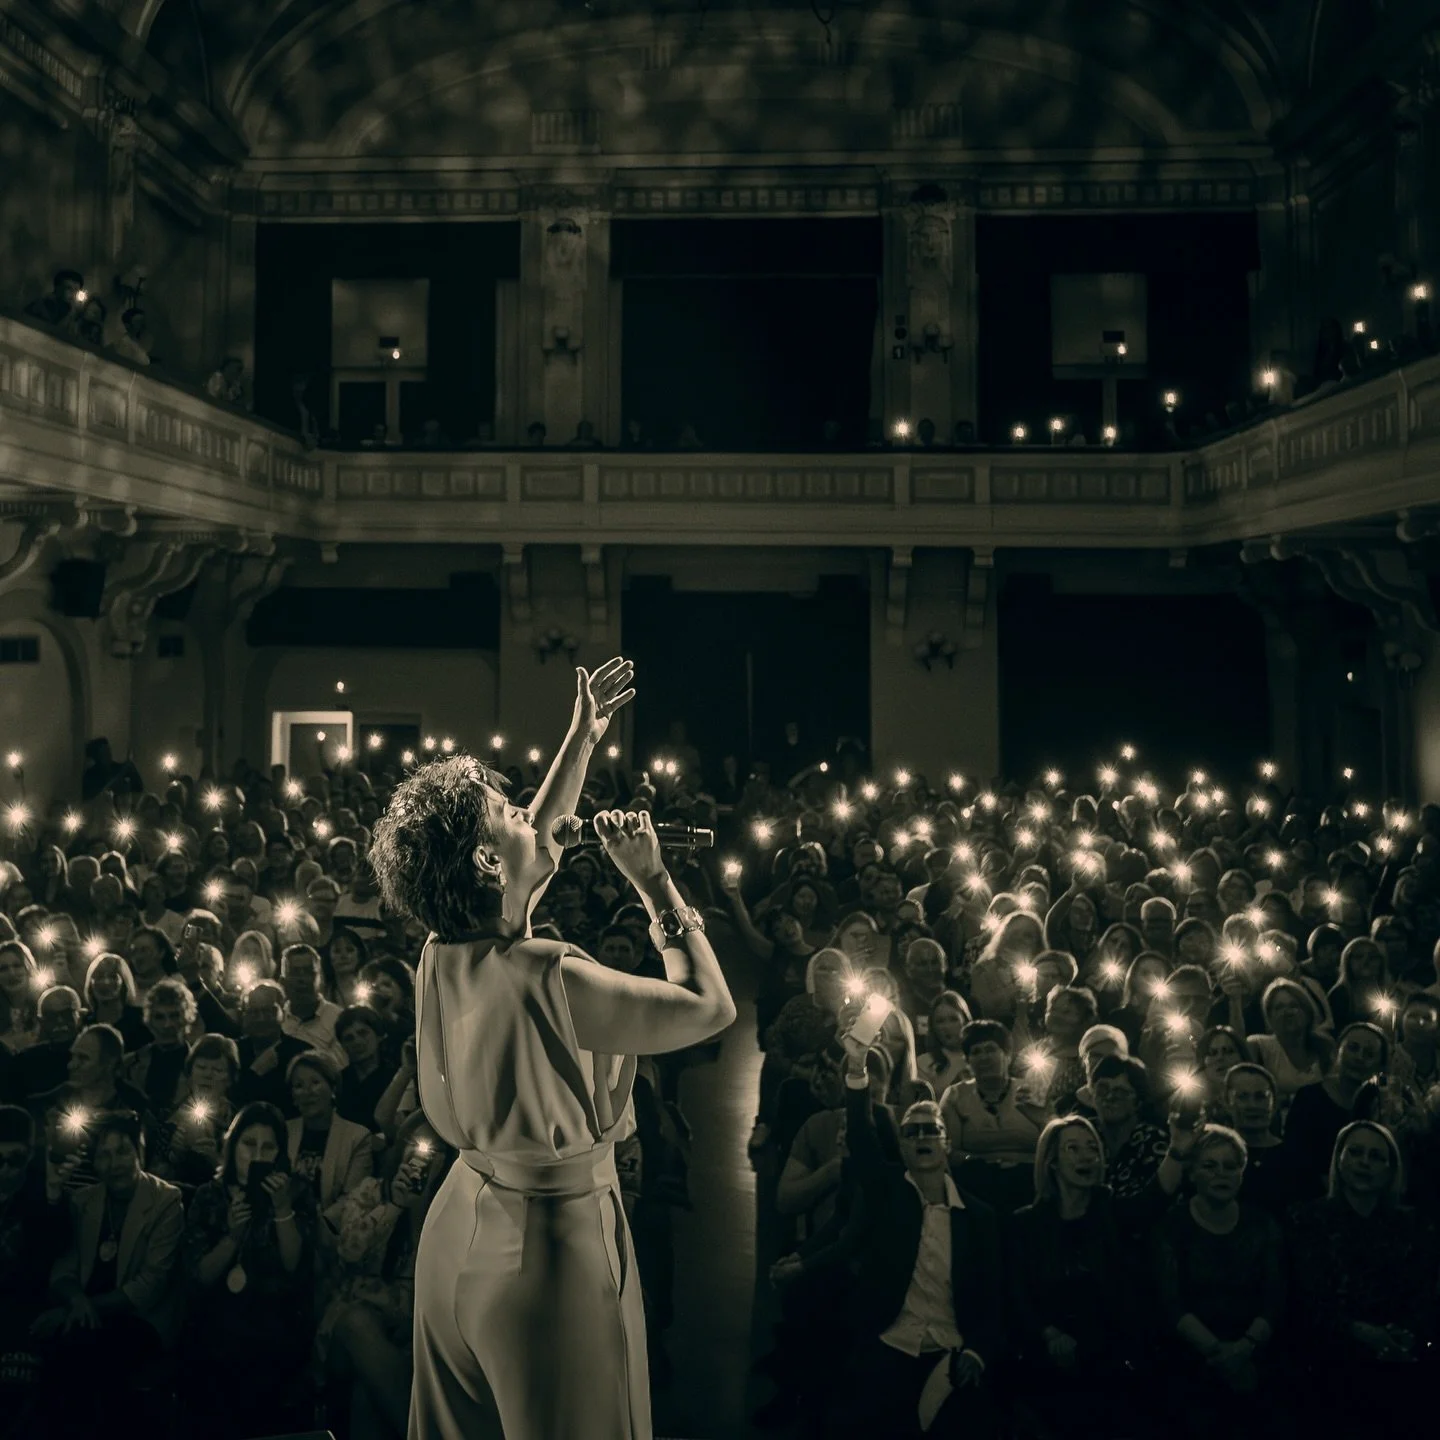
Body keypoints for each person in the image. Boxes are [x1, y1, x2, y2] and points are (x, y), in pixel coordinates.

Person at [368, 657, 736, 1439]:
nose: (531, 815)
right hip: (548, 1255)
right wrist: (655, 883)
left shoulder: (442, 948)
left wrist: (584, 736)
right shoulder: (550, 974)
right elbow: (710, 1009)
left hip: (458, 1229)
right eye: (505, 807)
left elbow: (528, 856)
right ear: (484, 861)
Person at [828, 1025, 1004, 1439]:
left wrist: (978, 1352)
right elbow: (861, 1133)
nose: (922, 1137)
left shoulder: (979, 1217)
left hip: (951, 1350)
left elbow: (993, 1295)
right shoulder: (887, 1192)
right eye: (912, 1132)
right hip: (890, 1342)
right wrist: (857, 1068)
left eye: (931, 1131)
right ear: (903, 1146)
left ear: (946, 1145)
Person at [32, 1109, 183, 1431]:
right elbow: (64, 1268)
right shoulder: (82, 1200)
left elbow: (150, 1285)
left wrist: (81, 1308)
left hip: (140, 1318)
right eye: (104, 1155)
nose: (115, 1164)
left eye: (123, 1151)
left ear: (139, 1152)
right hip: (84, 1315)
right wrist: (75, 1301)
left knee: (85, 1354)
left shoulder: (166, 1201)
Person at [1286, 1120, 1437, 1429]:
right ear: (1339, 1159)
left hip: (1400, 1359)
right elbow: (1309, 1297)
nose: (1364, 1163)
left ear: (1390, 1168)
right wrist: (1366, 1334)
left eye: (1375, 1156)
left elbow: (1424, 1291)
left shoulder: (1413, 1225)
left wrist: (1405, 1335)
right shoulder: (1307, 1219)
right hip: (1330, 1361)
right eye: (1355, 1152)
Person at [180, 1101, 318, 1438]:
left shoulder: (295, 1192)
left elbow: (295, 1267)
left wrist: (282, 1209)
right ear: (232, 1145)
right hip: (218, 1319)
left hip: (276, 1318)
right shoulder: (208, 1195)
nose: (257, 1155)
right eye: (248, 1144)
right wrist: (232, 1237)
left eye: (268, 1147)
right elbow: (200, 1277)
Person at [1005, 1117, 1142, 1434]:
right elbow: (1016, 1293)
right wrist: (1049, 1334)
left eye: (1093, 1147)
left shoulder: (1112, 1211)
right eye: (1074, 1148)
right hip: (1046, 1362)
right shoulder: (1025, 1224)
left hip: (1109, 1362)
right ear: (1052, 1162)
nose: (1086, 1156)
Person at [1152, 1126, 1285, 1439]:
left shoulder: (1263, 1224)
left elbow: (1276, 1296)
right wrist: (1219, 1354)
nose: (1221, 1174)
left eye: (1230, 1166)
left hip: (1254, 1353)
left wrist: (1245, 1349)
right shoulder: (1171, 1227)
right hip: (1191, 1356)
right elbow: (1171, 1303)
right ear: (1192, 1173)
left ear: (1242, 1173)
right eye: (1210, 1165)